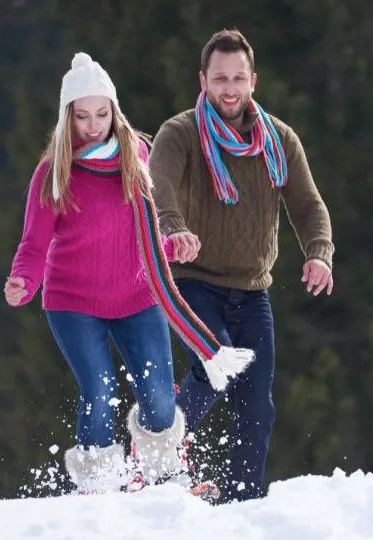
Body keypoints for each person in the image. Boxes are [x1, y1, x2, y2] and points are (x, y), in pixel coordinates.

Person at [4, 52, 254, 495]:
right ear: (68, 118)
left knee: (159, 398)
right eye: (83, 116)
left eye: (102, 113)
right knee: (99, 391)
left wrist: (173, 243)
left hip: (138, 297)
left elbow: (152, 224)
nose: (94, 124)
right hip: (73, 302)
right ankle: (98, 486)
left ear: (114, 111)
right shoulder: (54, 173)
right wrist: (24, 279)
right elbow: (34, 244)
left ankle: (164, 479)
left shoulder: (138, 155)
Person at [148, 29, 335, 503]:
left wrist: (318, 252)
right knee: (217, 365)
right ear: (203, 80)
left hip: (253, 291)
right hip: (192, 283)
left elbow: (308, 206)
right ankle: (154, 452)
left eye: (237, 78)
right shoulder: (180, 133)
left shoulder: (279, 141)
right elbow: (159, 185)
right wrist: (173, 229)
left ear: (253, 81)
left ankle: (241, 505)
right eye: (219, 78)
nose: (228, 88)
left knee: (257, 408)